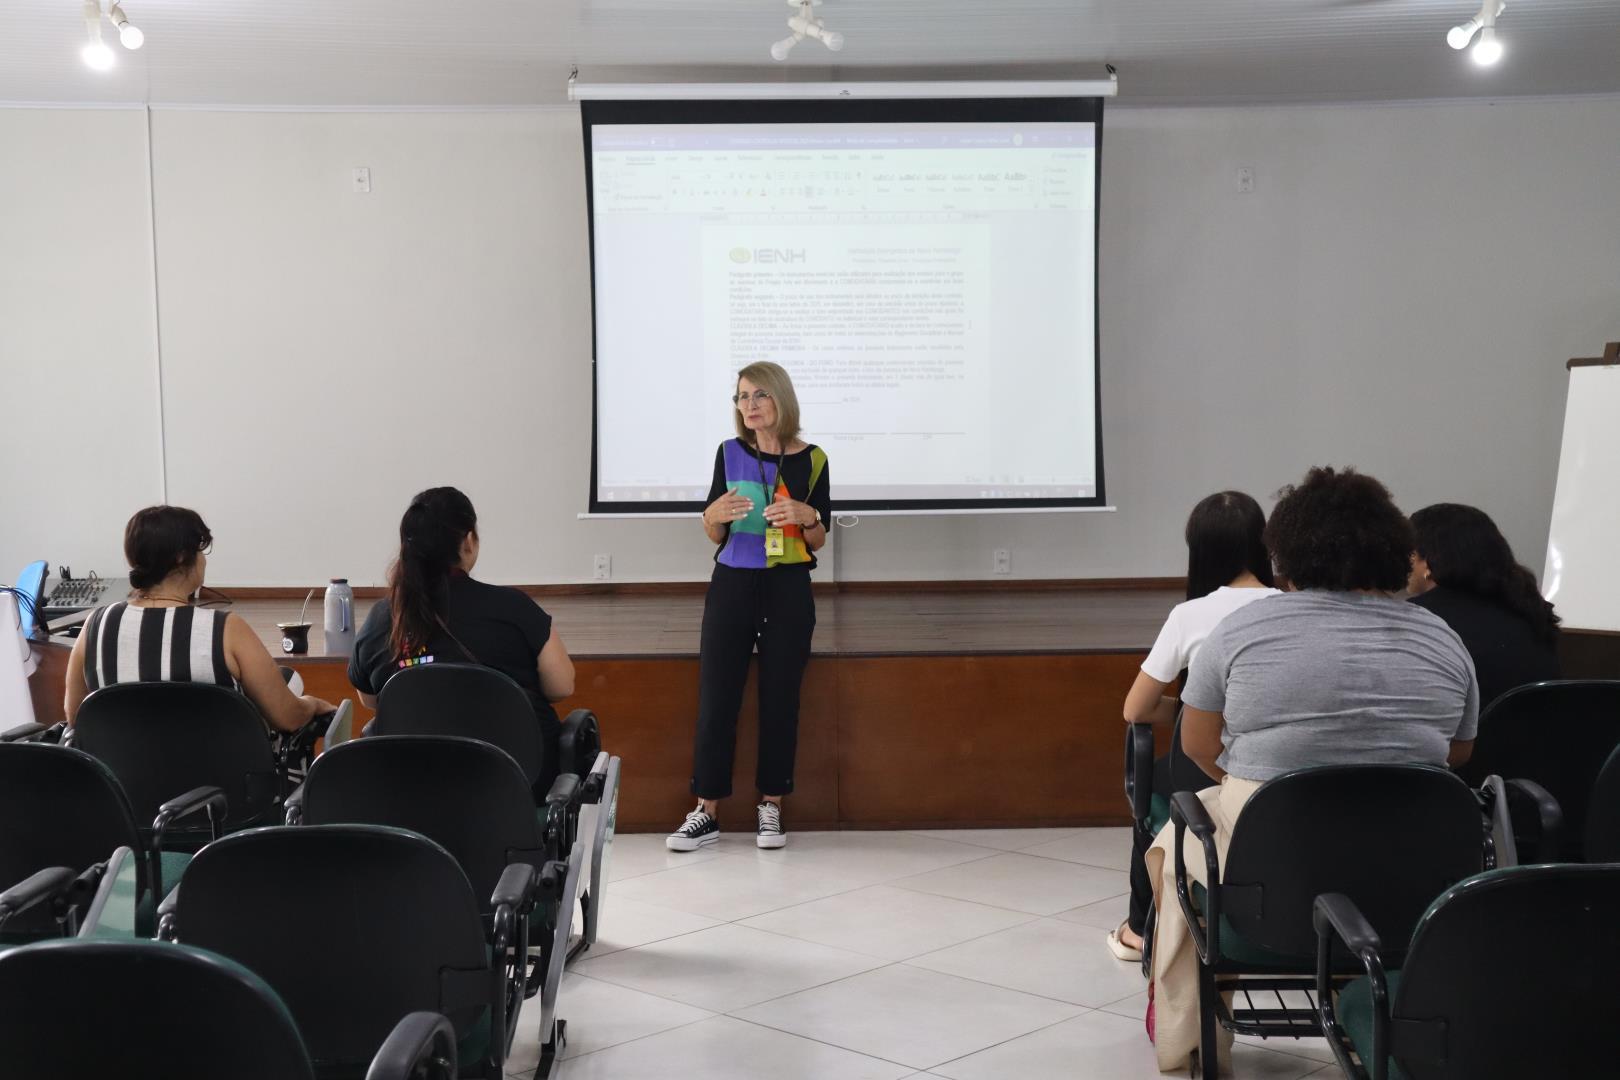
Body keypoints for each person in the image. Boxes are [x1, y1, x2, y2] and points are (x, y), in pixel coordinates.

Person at [1144, 467, 1478, 1075]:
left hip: (1279, 862)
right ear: (1391, 550)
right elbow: (1456, 755)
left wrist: (1273, 779)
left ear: (1287, 554)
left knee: (1177, 837)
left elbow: (1196, 746)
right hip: (1410, 870)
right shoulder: (1441, 637)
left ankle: (1189, 1033)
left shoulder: (1240, 631)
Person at [1109, 492, 1281, 962]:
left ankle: (1141, 931)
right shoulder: (1292, 607)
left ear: (1200, 551)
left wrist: (1191, 712)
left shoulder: (1191, 615)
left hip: (1211, 768)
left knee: (1154, 785)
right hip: (1283, 768)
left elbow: (1136, 709)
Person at [667, 361, 831, 852]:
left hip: (787, 588)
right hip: (733, 583)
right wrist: (709, 517)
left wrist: (808, 516)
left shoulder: (814, 459)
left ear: (781, 398)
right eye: (741, 397)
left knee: (781, 699)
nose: (750, 405)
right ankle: (706, 811)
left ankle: (771, 807)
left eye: (759, 395)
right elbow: (717, 531)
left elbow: (818, 540)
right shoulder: (729, 453)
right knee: (717, 697)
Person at [349, 487, 575, 787]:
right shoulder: (513, 608)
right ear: (468, 541)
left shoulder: (382, 618)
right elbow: (561, 685)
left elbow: (372, 699)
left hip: (409, 791)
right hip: (513, 790)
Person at [64, 506, 335, 730]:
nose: (203, 560)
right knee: (288, 682)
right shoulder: (225, 630)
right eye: (200, 551)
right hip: (219, 791)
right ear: (183, 557)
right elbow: (287, 718)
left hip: (122, 790)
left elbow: (77, 718)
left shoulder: (95, 627)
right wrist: (310, 704)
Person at [1408, 502, 1560, 710]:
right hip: (1538, 739)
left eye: (1411, 554)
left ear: (1427, 563)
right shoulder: (1529, 612)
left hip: (1467, 741)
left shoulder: (1416, 618)